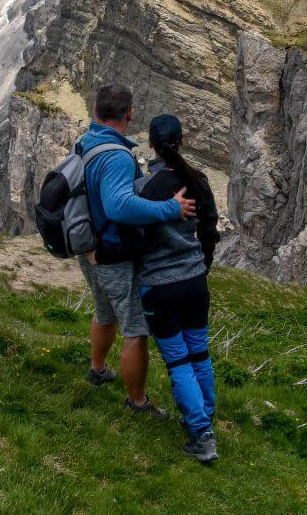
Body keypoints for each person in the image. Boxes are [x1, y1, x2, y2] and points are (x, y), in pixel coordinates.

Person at [77, 84, 196, 420]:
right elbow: (119, 206)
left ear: (96, 109)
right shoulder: (116, 155)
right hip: (111, 253)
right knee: (135, 328)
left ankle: (98, 369)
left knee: (104, 312)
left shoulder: (88, 141)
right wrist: (170, 210)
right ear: (129, 113)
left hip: (88, 248)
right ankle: (138, 403)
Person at [131, 114, 221, 462]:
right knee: (199, 353)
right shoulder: (198, 180)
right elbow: (210, 226)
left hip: (159, 286)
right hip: (195, 281)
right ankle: (202, 418)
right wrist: (203, 264)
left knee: (178, 361)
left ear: (151, 144)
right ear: (182, 141)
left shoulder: (144, 189)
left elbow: (134, 237)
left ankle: (201, 435)